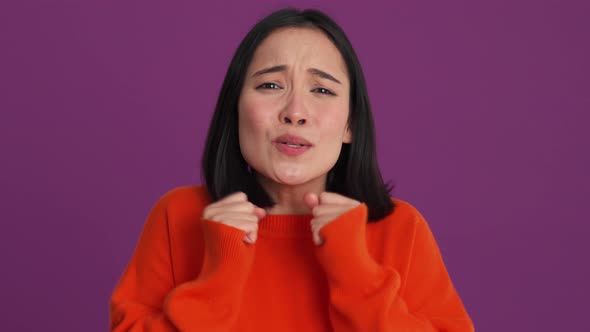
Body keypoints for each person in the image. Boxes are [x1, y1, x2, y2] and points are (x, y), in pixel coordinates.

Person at [110, 7, 474, 332]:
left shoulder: (401, 229)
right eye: (270, 85)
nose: (295, 111)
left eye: (323, 90)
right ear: (235, 110)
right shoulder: (180, 216)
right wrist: (216, 280)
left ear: (351, 126)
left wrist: (355, 269)